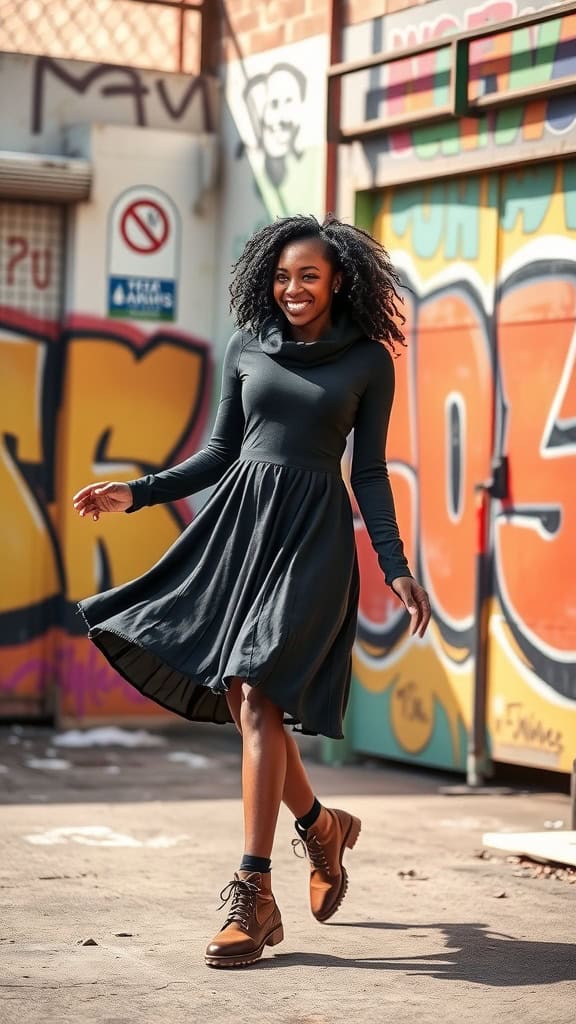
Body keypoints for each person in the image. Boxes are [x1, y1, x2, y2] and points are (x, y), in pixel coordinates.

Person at [73, 214, 431, 969]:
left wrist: (395, 563)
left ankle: (254, 890)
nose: (292, 288)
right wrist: (134, 492)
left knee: (256, 690)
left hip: (314, 541)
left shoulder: (369, 361)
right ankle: (322, 827)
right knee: (246, 700)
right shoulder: (247, 345)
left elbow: (367, 471)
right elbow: (219, 452)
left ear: (339, 281)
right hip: (242, 529)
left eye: (308, 276)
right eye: (282, 276)